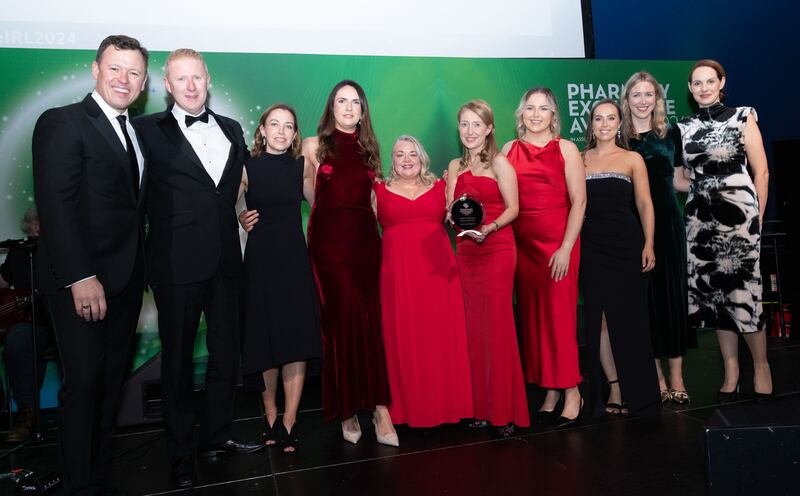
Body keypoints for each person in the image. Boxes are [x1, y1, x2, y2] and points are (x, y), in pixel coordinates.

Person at [135, 48, 262, 489]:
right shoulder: (144, 130)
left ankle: (217, 435)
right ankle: (180, 454)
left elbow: (232, 192)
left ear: (209, 80)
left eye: (197, 78)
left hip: (227, 261)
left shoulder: (230, 128)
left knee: (226, 357)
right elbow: (134, 198)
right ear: (167, 86)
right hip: (174, 265)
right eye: (180, 79)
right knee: (178, 364)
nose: (190, 86)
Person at [32, 35, 148, 494]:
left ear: (142, 84)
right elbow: (57, 206)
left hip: (126, 282)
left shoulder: (133, 132)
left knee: (108, 384)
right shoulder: (63, 123)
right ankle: (77, 485)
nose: (124, 79)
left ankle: (97, 476)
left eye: (134, 72)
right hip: (83, 282)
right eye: (115, 68)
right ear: (95, 70)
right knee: (82, 385)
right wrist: (81, 276)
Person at [304, 80, 398, 446]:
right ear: (331, 107)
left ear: (362, 109)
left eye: (354, 102)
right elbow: (308, 191)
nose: (347, 107)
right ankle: (346, 409)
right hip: (329, 247)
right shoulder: (314, 146)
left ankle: (379, 407)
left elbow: (374, 200)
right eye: (341, 101)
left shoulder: (368, 148)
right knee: (340, 323)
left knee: (369, 321)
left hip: (364, 244)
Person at [674, 60, 772, 402]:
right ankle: (730, 369)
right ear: (690, 88)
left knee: (745, 294)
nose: (703, 88)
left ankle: (760, 367)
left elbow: (761, 172)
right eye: (697, 83)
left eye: (709, 81)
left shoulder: (744, 116)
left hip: (742, 219)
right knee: (716, 298)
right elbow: (678, 178)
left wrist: (756, 216)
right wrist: (704, 188)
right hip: (701, 223)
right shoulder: (682, 127)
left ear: (722, 82)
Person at [237, 104, 321, 454]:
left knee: (294, 340)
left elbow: (319, 201)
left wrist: (316, 161)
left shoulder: (302, 166)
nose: (281, 131)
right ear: (261, 130)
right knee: (265, 340)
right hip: (259, 261)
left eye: (289, 126)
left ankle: (289, 421)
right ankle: (270, 415)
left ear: (295, 133)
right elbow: (234, 195)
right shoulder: (248, 165)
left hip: (292, 260)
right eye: (274, 124)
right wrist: (240, 212)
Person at [374, 135, 473, 427]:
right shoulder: (377, 189)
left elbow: (468, 214)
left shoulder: (443, 187)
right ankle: (406, 409)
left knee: (439, 336)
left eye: (413, 155)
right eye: (400, 155)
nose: (407, 160)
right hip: (397, 278)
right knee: (402, 339)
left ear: (422, 158)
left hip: (439, 277)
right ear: (391, 161)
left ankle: (448, 404)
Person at [502, 88, 585, 426]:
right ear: (521, 114)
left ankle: (572, 389)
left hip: (558, 245)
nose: (536, 114)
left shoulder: (566, 149)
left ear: (554, 115)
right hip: (523, 248)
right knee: (535, 320)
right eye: (530, 108)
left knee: (559, 319)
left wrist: (566, 247)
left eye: (544, 108)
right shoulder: (508, 150)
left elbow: (579, 202)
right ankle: (549, 388)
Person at [446, 100, 529, 436]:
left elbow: (514, 208)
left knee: (497, 327)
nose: (470, 131)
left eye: (477, 125)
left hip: (496, 248)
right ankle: (482, 408)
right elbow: (452, 209)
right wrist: (453, 216)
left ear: (490, 128)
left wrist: (490, 228)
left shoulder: (500, 163)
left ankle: (505, 411)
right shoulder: (453, 166)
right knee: (474, 330)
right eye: (464, 125)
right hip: (466, 250)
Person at [580, 99, 661, 418]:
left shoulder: (632, 158)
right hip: (590, 246)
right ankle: (613, 386)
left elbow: (645, 204)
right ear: (591, 124)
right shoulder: (580, 158)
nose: (603, 124)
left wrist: (649, 243)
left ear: (619, 123)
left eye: (610, 118)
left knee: (629, 319)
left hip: (627, 245)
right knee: (597, 321)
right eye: (598, 118)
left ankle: (637, 391)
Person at [621, 72, 695, 405]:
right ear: (627, 99)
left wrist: (718, 184)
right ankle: (657, 376)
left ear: (657, 99)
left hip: (668, 224)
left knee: (672, 300)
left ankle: (677, 375)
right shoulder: (618, 139)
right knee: (644, 303)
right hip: (632, 228)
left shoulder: (672, 134)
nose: (642, 101)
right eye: (635, 95)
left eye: (648, 94)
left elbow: (680, 181)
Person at [0, 208, 52, 443]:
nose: (36, 228)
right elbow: (3, 281)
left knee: (21, 338)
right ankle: (13, 408)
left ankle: (28, 414)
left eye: (40, 223)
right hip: (23, 324)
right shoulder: (19, 252)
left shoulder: (59, 251)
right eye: (32, 223)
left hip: (53, 326)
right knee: (18, 335)